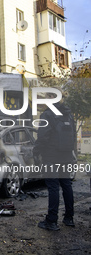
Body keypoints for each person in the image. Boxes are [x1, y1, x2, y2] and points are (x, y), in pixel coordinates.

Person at [33, 88, 76, 231]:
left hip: (51, 156)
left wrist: (37, 151)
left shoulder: (48, 114)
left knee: (53, 187)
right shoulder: (68, 115)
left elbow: (43, 136)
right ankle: (69, 218)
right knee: (67, 185)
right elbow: (74, 137)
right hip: (66, 156)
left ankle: (51, 221)